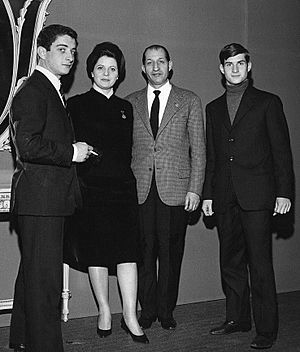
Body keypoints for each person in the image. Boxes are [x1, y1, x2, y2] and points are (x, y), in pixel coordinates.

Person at [202, 43, 293, 350]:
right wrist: (208, 195)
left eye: (241, 63)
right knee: (230, 262)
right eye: (229, 64)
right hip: (225, 197)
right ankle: (237, 319)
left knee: (260, 264)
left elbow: (282, 153)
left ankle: (266, 330)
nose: (235, 69)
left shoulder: (268, 102)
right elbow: (212, 157)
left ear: (249, 66)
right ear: (221, 69)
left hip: (258, 196)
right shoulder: (213, 108)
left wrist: (284, 193)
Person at [9, 24, 92, 352]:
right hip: (41, 200)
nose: (70, 56)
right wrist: (73, 151)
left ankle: (20, 339)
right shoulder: (35, 90)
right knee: (45, 284)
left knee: (32, 275)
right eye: (62, 49)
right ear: (42, 52)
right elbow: (28, 145)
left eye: (73, 50)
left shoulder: (48, 89)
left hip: (45, 200)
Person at [64, 42, 149, 344]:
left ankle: (130, 316)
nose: (106, 73)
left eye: (112, 69)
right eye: (100, 67)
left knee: (129, 254)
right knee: (96, 254)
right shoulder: (75, 105)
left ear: (119, 74)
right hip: (92, 191)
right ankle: (104, 311)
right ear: (90, 71)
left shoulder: (126, 108)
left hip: (123, 190)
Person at [126, 44, 206, 330]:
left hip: (176, 190)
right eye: (150, 62)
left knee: (172, 254)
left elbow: (199, 149)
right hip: (141, 190)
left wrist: (195, 188)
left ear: (170, 65)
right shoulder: (131, 102)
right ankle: (147, 311)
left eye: (161, 61)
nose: (156, 67)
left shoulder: (188, 100)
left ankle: (166, 310)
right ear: (143, 68)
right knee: (144, 252)